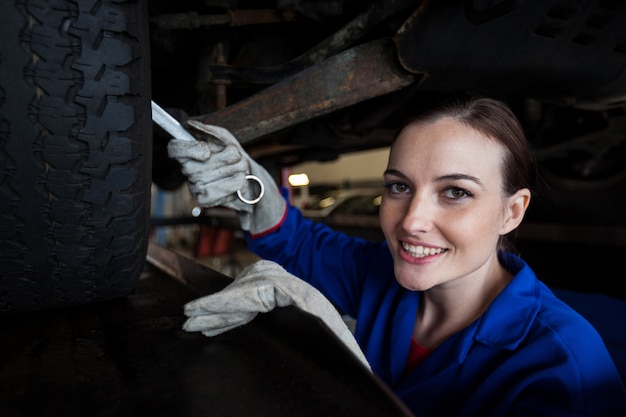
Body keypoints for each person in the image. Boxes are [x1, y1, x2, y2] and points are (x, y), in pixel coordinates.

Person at [168, 95, 626, 416]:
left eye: (455, 192)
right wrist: (254, 188)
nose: (411, 221)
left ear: (512, 211)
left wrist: (340, 354)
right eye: (400, 187)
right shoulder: (379, 272)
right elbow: (299, 243)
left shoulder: (567, 367)